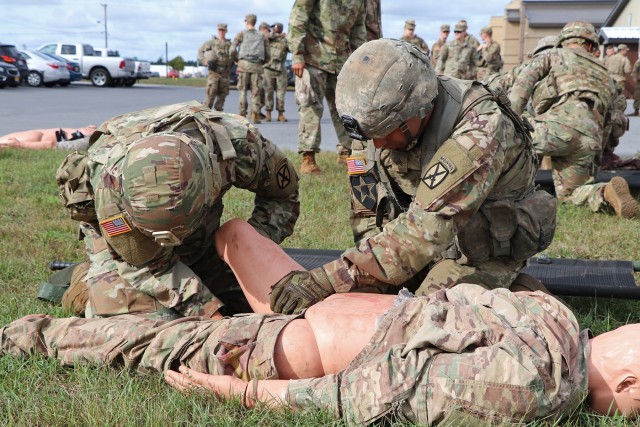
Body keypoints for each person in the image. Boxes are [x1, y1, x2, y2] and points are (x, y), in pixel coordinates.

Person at [3, 219, 640, 424]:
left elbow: (369, 394)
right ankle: (122, 278)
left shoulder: (526, 383)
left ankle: (25, 331)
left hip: (284, 347)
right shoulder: (556, 323)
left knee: (135, 343)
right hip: (308, 313)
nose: (623, 327)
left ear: (629, 383)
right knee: (233, 233)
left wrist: (242, 391)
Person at [269, 39, 556, 315]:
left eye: (383, 133)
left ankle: (521, 293)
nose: (375, 144)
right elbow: (367, 210)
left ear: (417, 113)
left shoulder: (478, 129)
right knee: (354, 302)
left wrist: (327, 278)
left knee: (420, 320)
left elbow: (427, 228)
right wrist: (371, 276)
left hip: (478, 248)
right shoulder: (372, 126)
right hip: (419, 237)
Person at [54, 100, 299, 321]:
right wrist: (208, 314)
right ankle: (87, 281)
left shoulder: (238, 146)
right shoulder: (110, 187)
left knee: (251, 302)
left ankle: (193, 257)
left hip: (199, 228)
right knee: (139, 318)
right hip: (125, 241)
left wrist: (251, 249)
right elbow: (140, 264)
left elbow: (283, 195)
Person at [509, 21, 638, 219]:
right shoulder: (605, 74)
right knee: (571, 195)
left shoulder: (554, 54)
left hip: (554, 131)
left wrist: (511, 123)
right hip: (589, 140)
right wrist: (596, 156)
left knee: (502, 138)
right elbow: (610, 120)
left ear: (564, 41)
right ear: (590, 45)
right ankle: (604, 192)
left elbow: (523, 84)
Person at [289, 0, 367, 174]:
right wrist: (297, 55)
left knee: (348, 109)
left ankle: (347, 154)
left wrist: (360, 61)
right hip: (312, 58)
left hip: (342, 62)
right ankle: (308, 159)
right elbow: (298, 17)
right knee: (310, 107)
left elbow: (358, 31)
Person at [231, 14, 270, 124]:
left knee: (242, 91)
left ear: (246, 22)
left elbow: (232, 49)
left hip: (243, 65)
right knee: (255, 92)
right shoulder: (262, 35)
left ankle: (242, 114)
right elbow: (268, 53)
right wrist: (263, 62)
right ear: (255, 22)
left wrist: (237, 60)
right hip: (256, 66)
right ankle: (255, 115)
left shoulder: (241, 33)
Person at [197, 23, 233, 111]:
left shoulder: (230, 44)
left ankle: (218, 118)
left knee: (222, 96)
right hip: (214, 73)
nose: (221, 32)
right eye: (220, 30)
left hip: (225, 73)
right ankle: (205, 117)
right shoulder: (211, 42)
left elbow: (235, 56)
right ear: (217, 31)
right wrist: (204, 61)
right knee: (210, 95)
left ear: (226, 31)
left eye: (223, 30)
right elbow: (200, 52)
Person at [262, 22, 289, 123]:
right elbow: (265, 36)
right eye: (273, 27)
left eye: (277, 27)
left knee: (281, 93)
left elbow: (292, 47)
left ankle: (280, 114)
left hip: (280, 69)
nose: (274, 29)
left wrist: (287, 37)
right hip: (268, 68)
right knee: (268, 92)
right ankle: (268, 113)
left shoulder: (284, 39)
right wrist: (276, 34)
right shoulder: (268, 37)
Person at [0, 126, 96, 150]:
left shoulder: (90, 140)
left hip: (38, 140)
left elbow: (51, 145)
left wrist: (20, 144)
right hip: (42, 137)